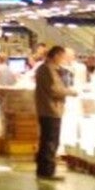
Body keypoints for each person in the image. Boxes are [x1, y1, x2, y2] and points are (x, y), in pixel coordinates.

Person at [34, 46, 76, 181]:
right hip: (50, 110)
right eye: (63, 57)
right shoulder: (47, 70)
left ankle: (44, 170)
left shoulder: (47, 69)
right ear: (56, 55)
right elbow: (54, 89)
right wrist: (71, 92)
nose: (63, 60)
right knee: (51, 142)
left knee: (47, 141)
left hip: (49, 109)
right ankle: (47, 172)